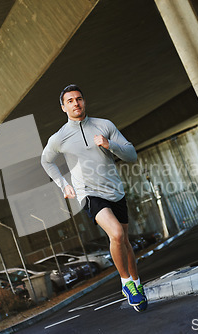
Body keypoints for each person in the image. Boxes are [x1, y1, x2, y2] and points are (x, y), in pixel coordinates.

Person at [41, 84, 147, 312]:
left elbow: (131, 154)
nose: (75, 103)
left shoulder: (104, 125)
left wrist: (110, 145)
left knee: (125, 241)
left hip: (115, 191)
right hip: (88, 193)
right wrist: (63, 185)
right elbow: (46, 161)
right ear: (63, 107)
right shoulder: (59, 137)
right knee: (116, 233)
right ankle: (126, 282)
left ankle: (137, 284)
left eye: (78, 99)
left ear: (84, 101)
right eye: (70, 101)